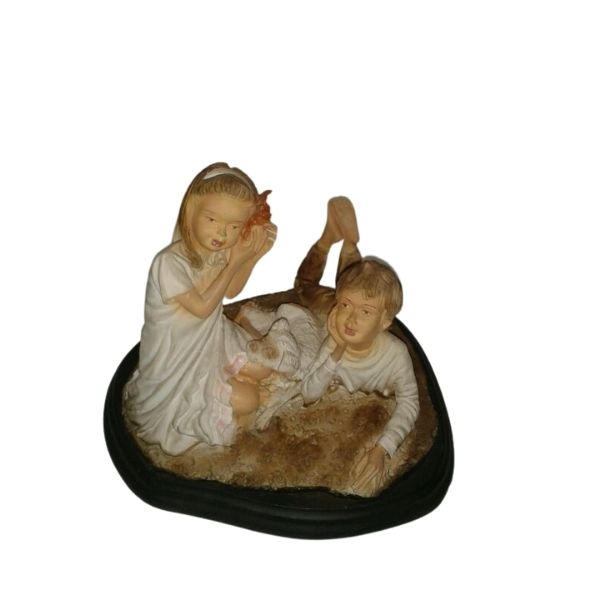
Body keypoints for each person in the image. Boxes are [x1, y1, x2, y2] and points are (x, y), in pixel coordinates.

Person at [245, 197, 419, 492]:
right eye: (346, 306)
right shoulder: (334, 337)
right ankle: (329, 242)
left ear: (385, 322)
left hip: (345, 310)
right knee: (304, 289)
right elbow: (309, 393)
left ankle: (348, 247)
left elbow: (410, 403)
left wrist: (383, 448)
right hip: (327, 315)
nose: (350, 318)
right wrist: (335, 354)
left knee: (347, 286)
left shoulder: (395, 355)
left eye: (366, 312)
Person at [125, 163, 295, 455]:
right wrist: (234, 261)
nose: (222, 233)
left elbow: (231, 290)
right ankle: (225, 389)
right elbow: (203, 308)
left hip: (213, 339)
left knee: (265, 367)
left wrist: (252, 255)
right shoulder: (169, 264)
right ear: (191, 211)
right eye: (212, 219)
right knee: (249, 400)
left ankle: (239, 351)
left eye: (234, 227)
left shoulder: (217, 250)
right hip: (179, 357)